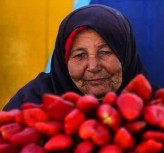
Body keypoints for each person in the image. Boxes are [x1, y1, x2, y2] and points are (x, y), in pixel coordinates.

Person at [3, 4, 153, 111]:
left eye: (105, 52)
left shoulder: (155, 108)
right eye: (80, 55)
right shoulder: (30, 104)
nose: (93, 67)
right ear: (63, 62)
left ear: (126, 56)